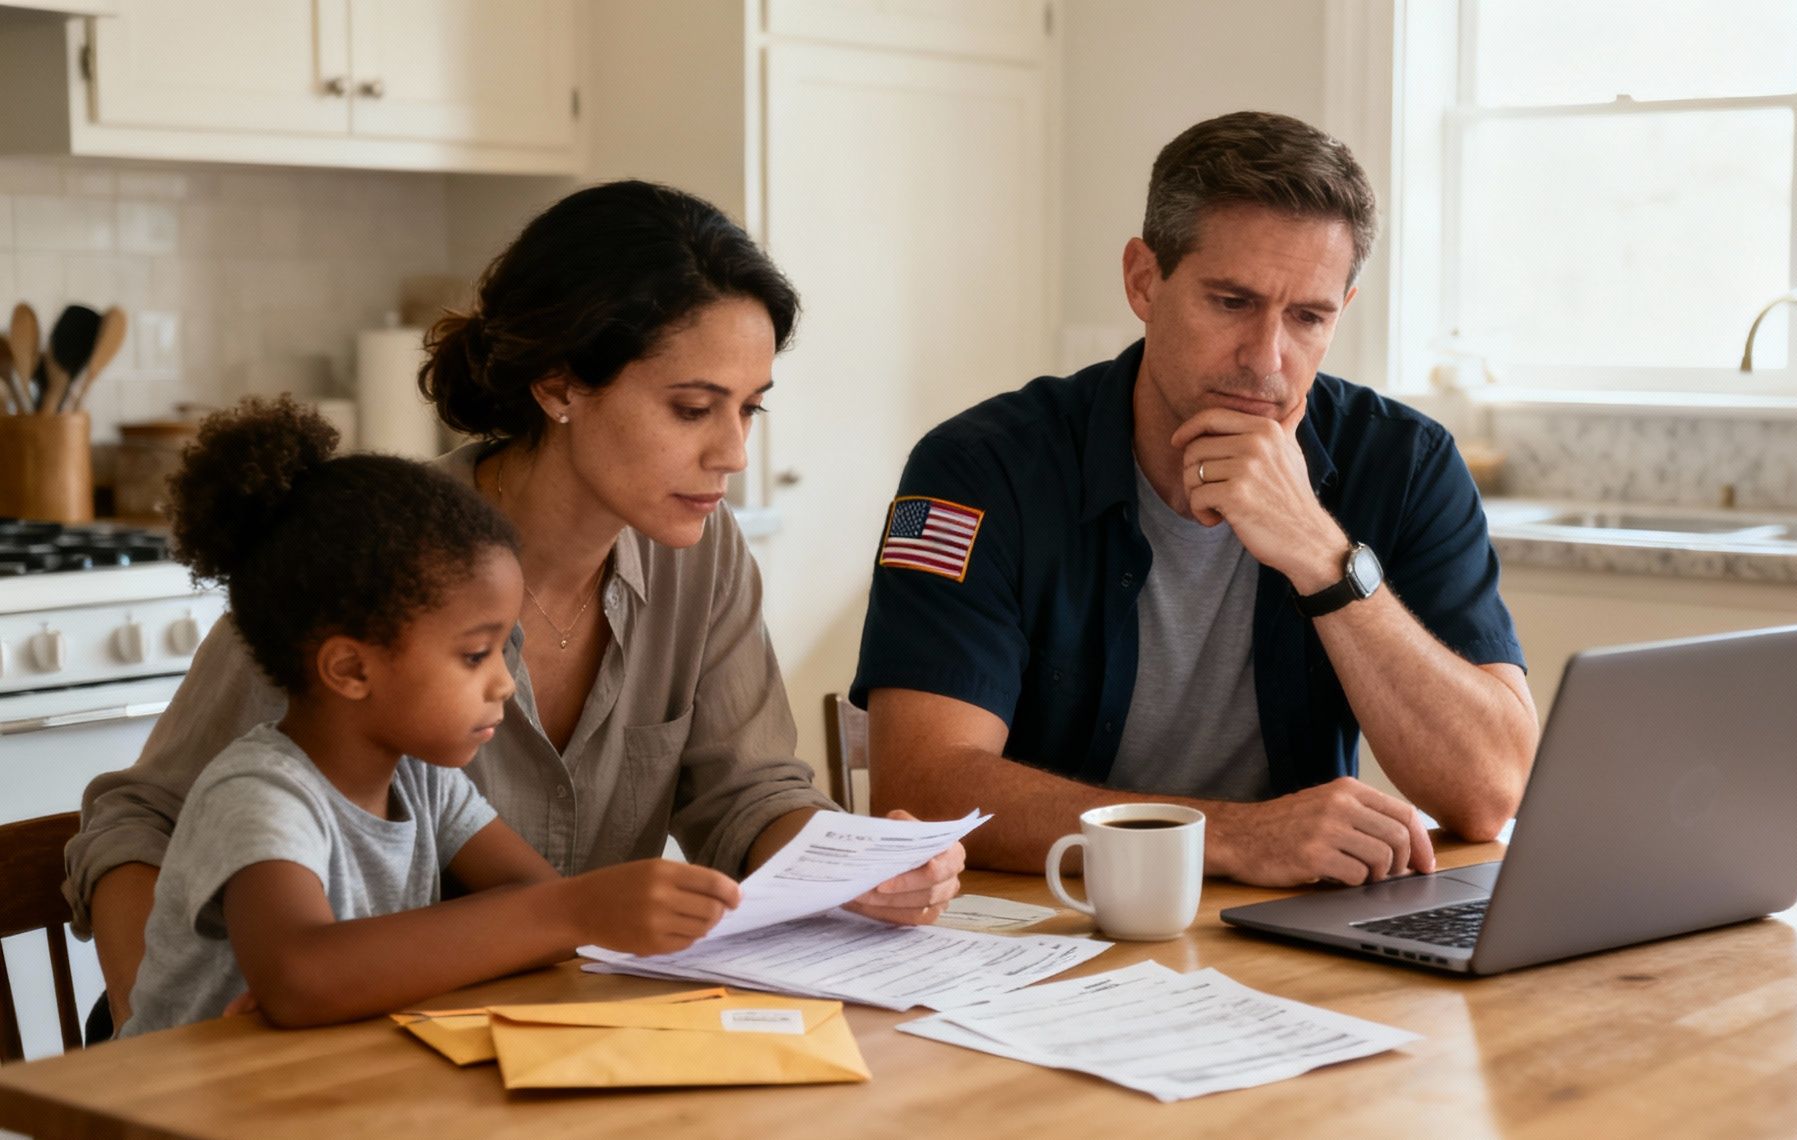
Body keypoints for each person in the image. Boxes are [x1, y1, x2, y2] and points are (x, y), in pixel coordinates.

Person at [68, 181, 962, 1037]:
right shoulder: (376, 563)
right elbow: (142, 822)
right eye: (692, 408)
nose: (732, 453)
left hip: (512, 1040)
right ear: (560, 386)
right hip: (314, 1066)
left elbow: (748, 792)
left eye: (749, 410)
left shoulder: (704, 553)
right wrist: (167, 1028)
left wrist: (855, 869)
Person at [852, 111, 1539, 888]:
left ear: (1341, 313)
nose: (1266, 360)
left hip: (1291, 936)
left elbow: (1489, 794)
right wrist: (1234, 838)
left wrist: (1324, 556)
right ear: (1144, 280)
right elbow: (921, 786)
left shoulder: (1406, 463)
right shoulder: (976, 468)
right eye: (1232, 302)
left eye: (1308, 318)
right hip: (1053, 921)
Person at [124, 398, 750, 1034]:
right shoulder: (260, 795)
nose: (505, 683)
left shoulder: (423, 783)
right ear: (350, 670)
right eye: (475, 654)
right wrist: (574, 911)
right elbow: (302, 978)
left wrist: (369, 970)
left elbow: (534, 904)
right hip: (177, 1116)